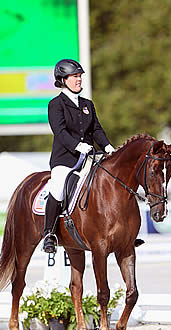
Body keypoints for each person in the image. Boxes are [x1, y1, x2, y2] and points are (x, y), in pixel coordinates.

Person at [43, 59, 115, 253]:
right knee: (57, 188)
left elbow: (96, 129)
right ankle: (49, 234)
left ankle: (119, 231)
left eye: (80, 76)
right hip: (65, 159)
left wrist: (108, 147)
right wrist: (77, 146)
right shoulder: (56, 105)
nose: (79, 79)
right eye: (75, 76)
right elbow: (60, 131)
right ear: (63, 79)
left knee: (109, 184)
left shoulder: (87, 104)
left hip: (89, 158)